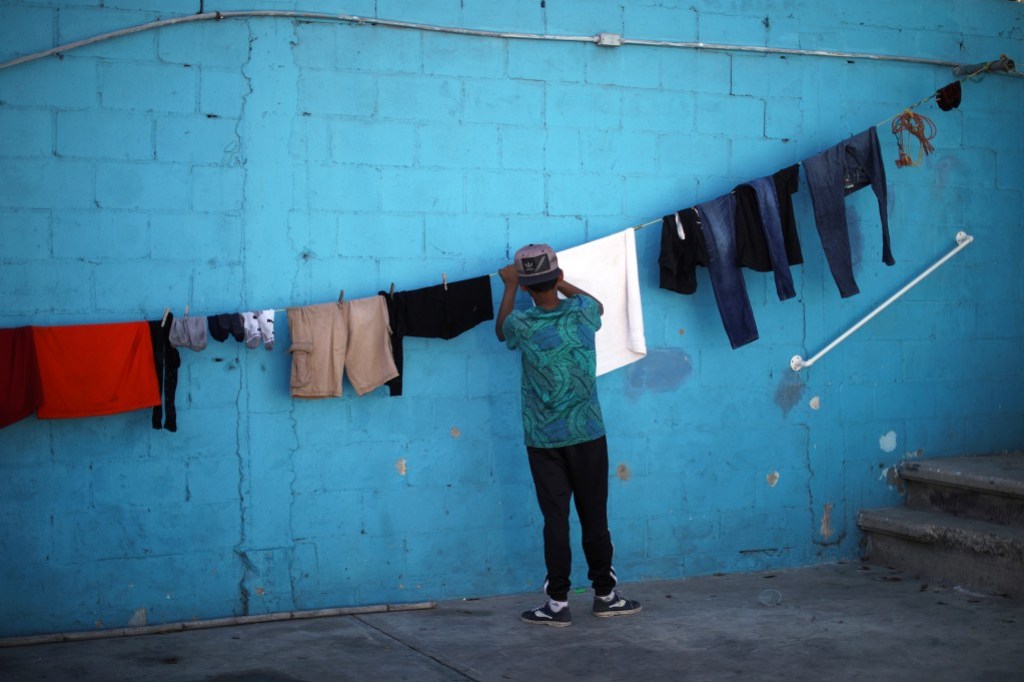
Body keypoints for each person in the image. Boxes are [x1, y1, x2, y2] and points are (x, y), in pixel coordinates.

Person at [496, 243, 642, 627]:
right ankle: (605, 596)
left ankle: (557, 603)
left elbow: (501, 330)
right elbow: (598, 304)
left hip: (543, 441)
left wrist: (510, 287)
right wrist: (564, 284)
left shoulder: (522, 325)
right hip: (588, 433)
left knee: (555, 520)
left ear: (527, 288)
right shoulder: (581, 313)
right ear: (557, 278)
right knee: (595, 516)